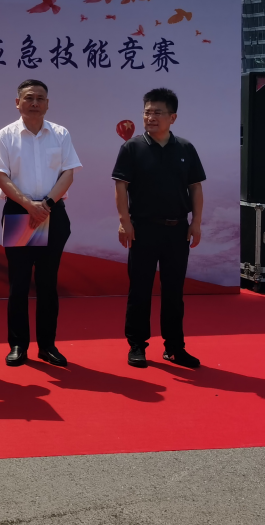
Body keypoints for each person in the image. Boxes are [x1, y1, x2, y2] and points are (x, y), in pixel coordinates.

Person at [0, 79, 81, 368]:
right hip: (20, 213)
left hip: (53, 212)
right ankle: (18, 345)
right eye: (29, 98)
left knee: (47, 283)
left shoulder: (60, 134)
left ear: (48, 104)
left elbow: (68, 173)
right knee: (18, 283)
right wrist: (30, 205)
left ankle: (47, 345)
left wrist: (47, 205)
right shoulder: (6, 135)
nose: (35, 103)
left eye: (40, 98)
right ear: (18, 103)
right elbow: (1, 176)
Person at [112, 87, 206, 369]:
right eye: (147, 112)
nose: (150, 117)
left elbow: (195, 188)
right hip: (143, 229)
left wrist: (196, 223)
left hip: (177, 230)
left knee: (174, 291)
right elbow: (121, 186)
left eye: (157, 113)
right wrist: (124, 221)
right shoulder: (132, 148)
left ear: (172, 117)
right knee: (140, 289)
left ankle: (175, 347)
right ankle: (137, 345)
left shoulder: (185, 149)